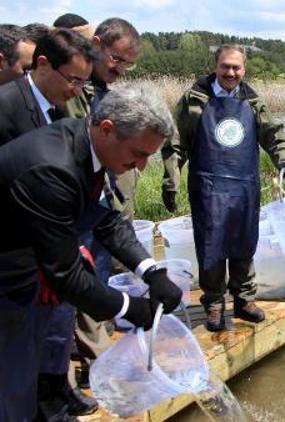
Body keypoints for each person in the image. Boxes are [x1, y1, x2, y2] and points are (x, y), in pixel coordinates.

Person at [0, 82, 183, 421]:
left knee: (27, 373)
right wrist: (129, 307)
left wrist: (152, 272)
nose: (142, 166)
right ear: (108, 129)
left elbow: (108, 221)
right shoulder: (52, 170)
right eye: (139, 154)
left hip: (27, 267)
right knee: (10, 386)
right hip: (8, 274)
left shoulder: (90, 148)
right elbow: (66, 275)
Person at [162, 44, 285, 331]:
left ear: (244, 69)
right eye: (225, 66)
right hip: (207, 187)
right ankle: (213, 304)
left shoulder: (252, 100)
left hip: (244, 185)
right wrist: (170, 181)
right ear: (216, 66)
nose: (230, 72)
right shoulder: (194, 100)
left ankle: (245, 300)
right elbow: (175, 144)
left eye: (236, 67)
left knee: (243, 241)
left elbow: (273, 134)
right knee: (211, 245)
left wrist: (284, 160)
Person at [0, 28, 97, 420]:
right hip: (11, 261)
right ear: (42, 65)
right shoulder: (6, 108)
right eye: (73, 79)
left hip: (38, 261)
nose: (77, 91)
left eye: (84, 83)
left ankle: (45, 397)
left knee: (31, 354)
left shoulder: (57, 110)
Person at [62, 16, 140, 396]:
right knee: (70, 294)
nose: (121, 70)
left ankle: (96, 365)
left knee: (98, 278)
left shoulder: (102, 90)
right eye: (117, 60)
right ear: (95, 44)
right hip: (71, 209)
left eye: (128, 64)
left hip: (102, 207)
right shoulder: (72, 91)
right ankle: (79, 376)